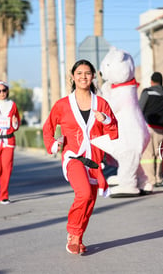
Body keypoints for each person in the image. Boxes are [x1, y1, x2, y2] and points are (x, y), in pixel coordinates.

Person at [42, 60, 119, 255]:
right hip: (73, 157)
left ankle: (78, 238)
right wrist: (54, 144)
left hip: (94, 159)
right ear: (73, 77)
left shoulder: (101, 103)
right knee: (83, 193)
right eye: (79, 73)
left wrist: (107, 120)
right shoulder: (62, 105)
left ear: (93, 76)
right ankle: (74, 234)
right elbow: (48, 127)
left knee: (91, 200)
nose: (83, 76)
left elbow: (114, 132)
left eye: (87, 73)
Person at [139, 72, 163, 188]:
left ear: (152, 81)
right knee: (159, 155)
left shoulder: (147, 92)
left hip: (148, 127)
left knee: (148, 155)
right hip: (162, 129)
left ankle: (150, 180)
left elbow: (140, 108)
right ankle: (159, 178)